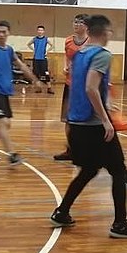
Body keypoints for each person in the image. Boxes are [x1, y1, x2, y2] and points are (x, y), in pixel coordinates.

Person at [49, 15, 127, 239]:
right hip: (94, 125)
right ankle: (119, 224)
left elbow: (84, 87)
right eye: (110, 31)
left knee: (89, 170)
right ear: (105, 32)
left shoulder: (79, 54)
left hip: (77, 123)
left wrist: (105, 101)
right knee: (118, 170)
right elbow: (91, 88)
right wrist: (105, 119)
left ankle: (62, 212)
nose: (111, 35)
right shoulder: (102, 55)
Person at [0, 20, 43, 166]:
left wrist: (34, 80)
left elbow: (22, 66)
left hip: (4, 90)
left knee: (6, 124)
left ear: (8, 33)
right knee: (4, 122)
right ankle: (12, 154)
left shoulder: (9, 50)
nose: (1, 34)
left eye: (4, 32)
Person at [53, 14, 90, 161]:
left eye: (80, 22)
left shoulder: (91, 42)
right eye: (75, 22)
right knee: (68, 119)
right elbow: (67, 56)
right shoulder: (68, 40)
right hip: (70, 85)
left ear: (86, 26)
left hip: (85, 87)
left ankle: (85, 150)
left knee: (85, 120)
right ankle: (71, 149)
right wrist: (65, 66)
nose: (77, 25)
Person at [27, 25, 54, 94]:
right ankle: (38, 88)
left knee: (46, 73)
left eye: (41, 30)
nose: (40, 31)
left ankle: (49, 88)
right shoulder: (34, 39)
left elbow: (52, 45)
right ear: (37, 31)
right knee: (36, 74)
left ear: (43, 31)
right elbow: (28, 44)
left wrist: (47, 51)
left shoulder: (46, 39)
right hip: (36, 59)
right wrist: (33, 50)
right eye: (39, 30)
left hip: (43, 59)